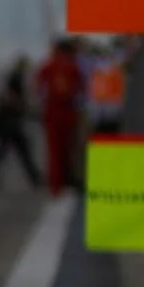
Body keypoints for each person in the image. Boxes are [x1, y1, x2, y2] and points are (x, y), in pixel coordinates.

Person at [0, 57, 43, 189]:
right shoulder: (15, 79)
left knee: (15, 149)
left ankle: (34, 177)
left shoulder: (13, 79)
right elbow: (11, 100)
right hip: (6, 122)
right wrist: (30, 112)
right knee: (14, 149)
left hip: (8, 121)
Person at [37, 38, 86, 196]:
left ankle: (56, 184)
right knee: (69, 149)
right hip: (68, 111)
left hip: (52, 112)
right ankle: (66, 181)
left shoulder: (49, 66)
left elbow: (38, 87)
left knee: (54, 150)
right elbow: (82, 89)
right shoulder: (73, 67)